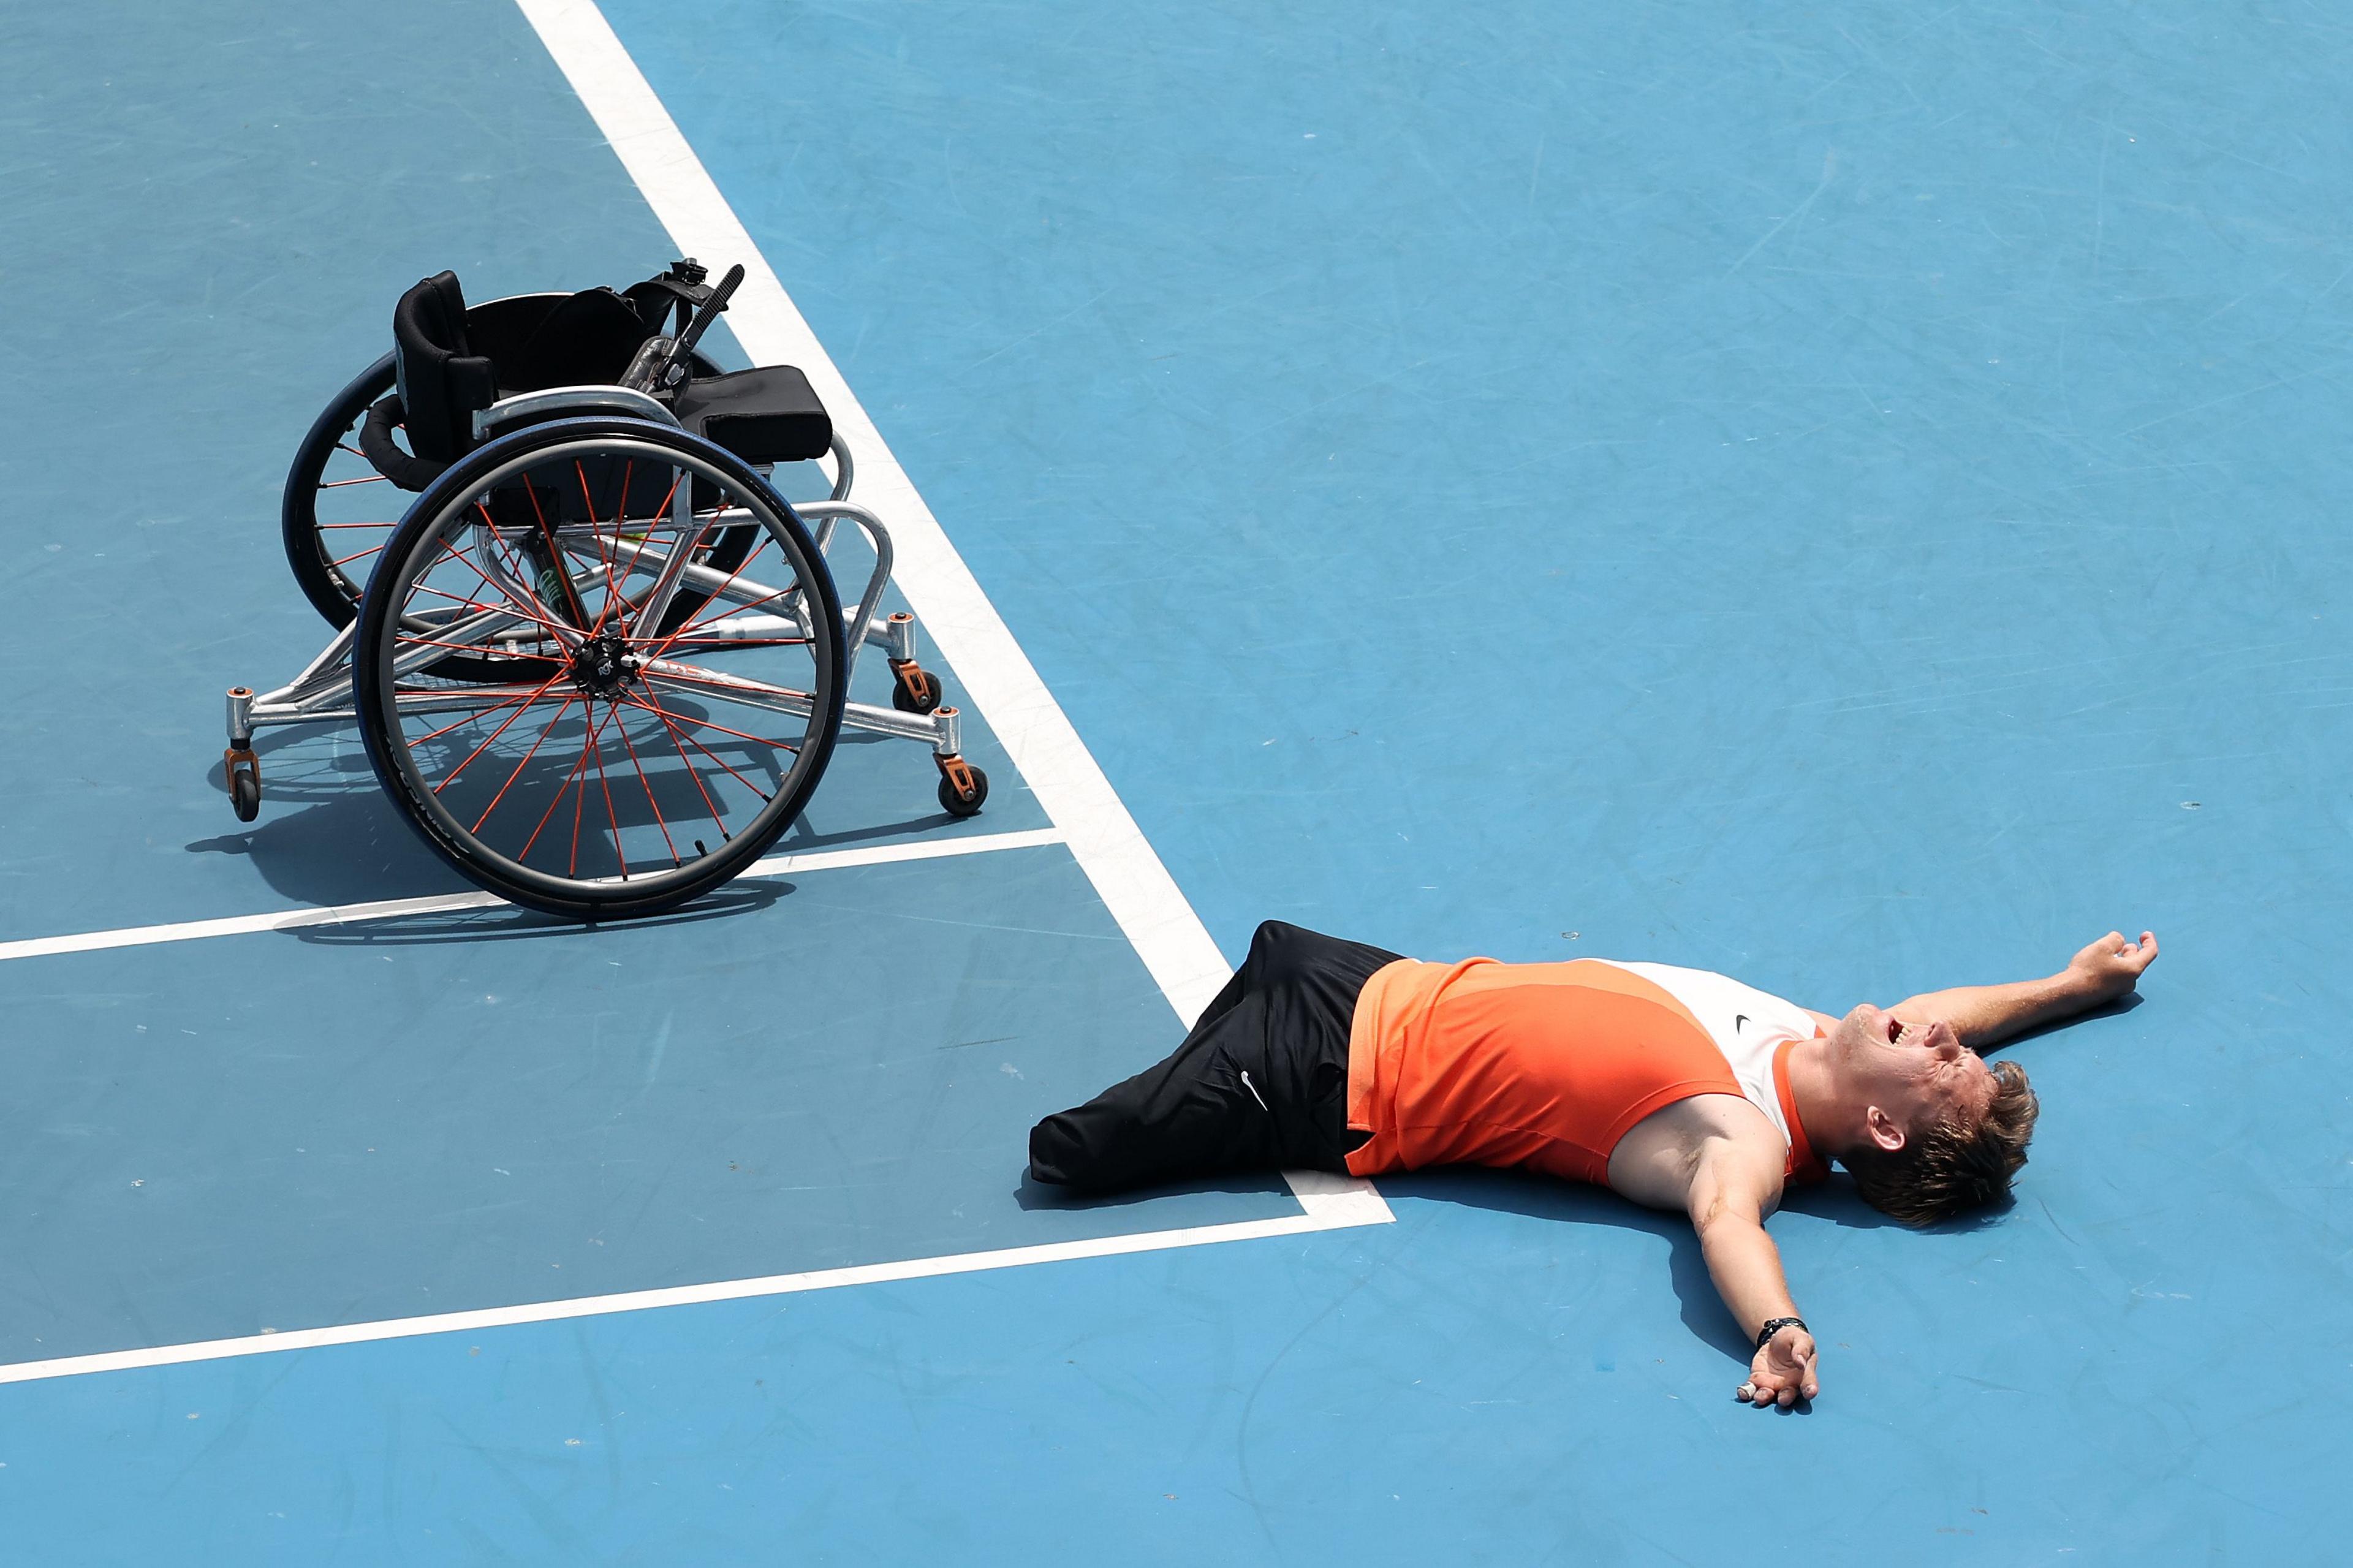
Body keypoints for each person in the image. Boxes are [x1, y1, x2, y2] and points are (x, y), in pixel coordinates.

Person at [1028, 921, 2159, 1409]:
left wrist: (1777, 1330)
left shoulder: (1743, 1141)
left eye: (1945, 1061)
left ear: (1888, 1133)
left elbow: (1729, 1228)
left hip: (1318, 1079)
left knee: (1069, 1153)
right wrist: (2074, 987)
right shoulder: (1818, 1044)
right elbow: (1950, 1011)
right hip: (1367, 975)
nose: (1943, 1033)